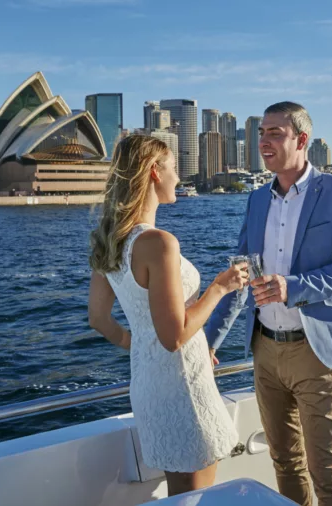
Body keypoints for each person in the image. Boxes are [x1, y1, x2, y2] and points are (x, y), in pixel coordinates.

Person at [205, 102, 332, 506]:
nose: (263, 140)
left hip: (316, 350)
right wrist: (210, 341)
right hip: (264, 350)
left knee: (328, 473)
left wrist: (293, 286)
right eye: (261, 132)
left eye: (275, 133)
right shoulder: (257, 200)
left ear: (302, 140)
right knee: (284, 462)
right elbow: (241, 273)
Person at [87, 135, 246, 496]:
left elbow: (99, 319)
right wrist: (220, 288)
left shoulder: (110, 240)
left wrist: (142, 346)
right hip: (182, 388)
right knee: (194, 496)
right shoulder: (158, 243)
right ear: (154, 173)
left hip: (149, 385)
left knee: (184, 491)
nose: (179, 178)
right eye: (174, 169)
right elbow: (173, 337)